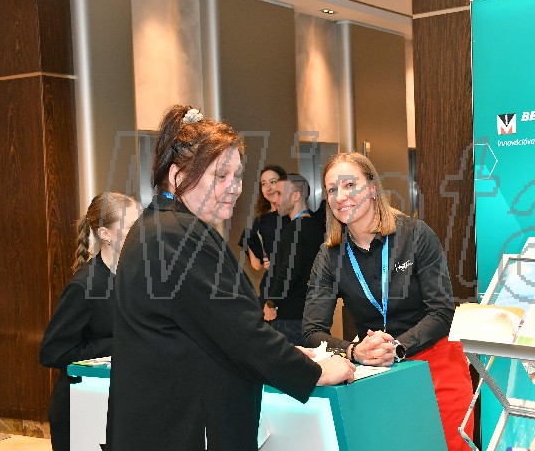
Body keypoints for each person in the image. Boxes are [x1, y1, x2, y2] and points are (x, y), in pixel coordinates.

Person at [107, 105, 354, 451]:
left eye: (237, 176)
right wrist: (314, 373)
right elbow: (239, 331)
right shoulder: (175, 236)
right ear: (177, 176)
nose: (235, 188)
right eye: (220, 176)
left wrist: (291, 353)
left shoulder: (160, 227)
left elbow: (213, 329)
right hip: (185, 428)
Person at [302, 152, 475, 451]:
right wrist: (353, 351)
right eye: (332, 189)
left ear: (372, 187)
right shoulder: (329, 257)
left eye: (349, 185)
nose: (340, 197)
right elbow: (311, 331)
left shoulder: (415, 235)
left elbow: (441, 311)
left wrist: (397, 348)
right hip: (376, 374)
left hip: (435, 365)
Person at [39, 192, 139, 451]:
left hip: (119, 405)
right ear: (105, 234)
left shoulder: (135, 276)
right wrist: (122, 343)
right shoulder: (84, 286)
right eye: (131, 227)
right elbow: (53, 352)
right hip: (82, 410)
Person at [266, 174, 325, 345]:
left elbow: (289, 271)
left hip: (290, 317)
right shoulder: (316, 227)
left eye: (279, 194)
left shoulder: (294, 229)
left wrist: (271, 303)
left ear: (296, 195)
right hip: (312, 314)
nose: (275, 200)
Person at [238, 165, 290, 318]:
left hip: (295, 286)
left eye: (273, 182)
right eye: (263, 184)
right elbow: (257, 265)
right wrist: (265, 260)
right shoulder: (260, 220)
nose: (268, 188)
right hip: (271, 287)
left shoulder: (294, 214)